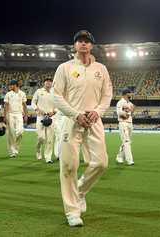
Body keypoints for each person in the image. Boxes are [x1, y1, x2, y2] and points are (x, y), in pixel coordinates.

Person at [52, 30, 112, 227]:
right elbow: (57, 96)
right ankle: (72, 211)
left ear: (92, 46)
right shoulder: (65, 68)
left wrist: (98, 111)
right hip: (72, 120)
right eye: (80, 41)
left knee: (101, 163)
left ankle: (80, 191)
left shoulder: (101, 69)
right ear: (74, 45)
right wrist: (75, 114)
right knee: (69, 166)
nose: (83, 44)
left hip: (94, 120)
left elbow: (107, 95)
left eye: (87, 41)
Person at [31, 78, 56, 163]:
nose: (48, 83)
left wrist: (54, 112)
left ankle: (48, 157)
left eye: (50, 82)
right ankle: (38, 149)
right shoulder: (39, 91)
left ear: (52, 83)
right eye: (47, 82)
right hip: (41, 117)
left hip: (51, 117)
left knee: (49, 139)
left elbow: (58, 104)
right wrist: (37, 110)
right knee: (41, 137)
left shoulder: (55, 92)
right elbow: (33, 102)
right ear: (44, 83)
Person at [3, 80, 27, 158]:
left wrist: (26, 115)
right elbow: (6, 106)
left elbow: (24, 105)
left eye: (11, 85)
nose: (10, 86)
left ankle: (16, 147)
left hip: (19, 114)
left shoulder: (22, 93)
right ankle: (12, 151)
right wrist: (5, 116)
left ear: (15, 85)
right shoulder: (8, 94)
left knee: (20, 132)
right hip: (10, 114)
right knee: (11, 133)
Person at [116, 89, 135, 165]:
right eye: (129, 93)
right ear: (125, 94)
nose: (131, 95)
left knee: (127, 141)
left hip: (130, 123)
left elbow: (131, 113)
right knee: (126, 141)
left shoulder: (130, 103)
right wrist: (125, 114)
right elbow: (118, 112)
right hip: (123, 123)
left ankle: (119, 157)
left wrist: (132, 111)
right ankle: (129, 160)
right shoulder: (120, 102)